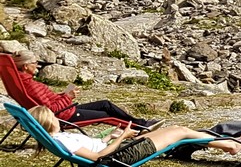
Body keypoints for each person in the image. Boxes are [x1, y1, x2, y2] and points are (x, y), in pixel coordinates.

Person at [28, 105, 241, 165]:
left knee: (178, 130)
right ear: (49, 121)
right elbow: (97, 158)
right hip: (120, 157)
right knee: (181, 132)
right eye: (53, 116)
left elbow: (95, 148)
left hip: (118, 150)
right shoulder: (62, 139)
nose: (57, 117)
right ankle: (231, 146)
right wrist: (123, 137)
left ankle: (228, 144)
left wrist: (111, 136)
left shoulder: (58, 139)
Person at [12, 50, 156, 128]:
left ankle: (139, 123)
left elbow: (47, 102)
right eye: (34, 63)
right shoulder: (31, 86)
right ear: (25, 66)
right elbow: (51, 110)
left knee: (105, 104)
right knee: (106, 116)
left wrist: (64, 94)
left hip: (66, 110)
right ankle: (140, 127)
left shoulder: (23, 82)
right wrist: (68, 97)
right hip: (65, 116)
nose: (37, 65)